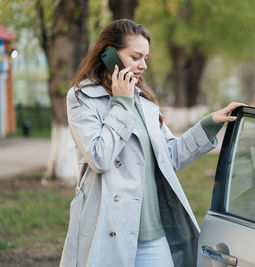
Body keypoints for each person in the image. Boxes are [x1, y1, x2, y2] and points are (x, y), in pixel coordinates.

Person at [60, 19, 244, 267]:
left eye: (145, 58)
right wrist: (122, 104)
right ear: (109, 55)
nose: (143, 65)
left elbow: (171, 156)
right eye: (135, 57)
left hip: (152, 236)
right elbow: (99, 158)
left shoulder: (144, 102)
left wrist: (209, 124)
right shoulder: (82, 98)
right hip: (108, 233)